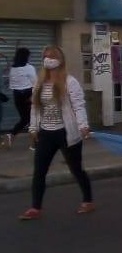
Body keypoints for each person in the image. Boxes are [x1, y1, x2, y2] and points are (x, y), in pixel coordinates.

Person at [18, 46, 93, 220]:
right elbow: (35, 107)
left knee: (76, 169)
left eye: (51, 56)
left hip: (66, 133)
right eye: (45, 56)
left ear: (60, 60)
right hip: (46, 133)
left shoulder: (69, 81)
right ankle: (35, 207)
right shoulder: (39, 82)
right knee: (39, 171)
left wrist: (83, 125)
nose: (48, 59)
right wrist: (33, 128)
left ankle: (88, 200)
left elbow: (78, 105)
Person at [7, 47, 38, 149]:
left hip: (17, 96)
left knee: (25, 119)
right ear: (26, 56)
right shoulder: (29, 68)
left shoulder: (13, 69)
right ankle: (34, 144)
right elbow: (36, 83)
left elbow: (12, 85)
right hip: (28, 95)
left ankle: (12, 134)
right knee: (33, 119)